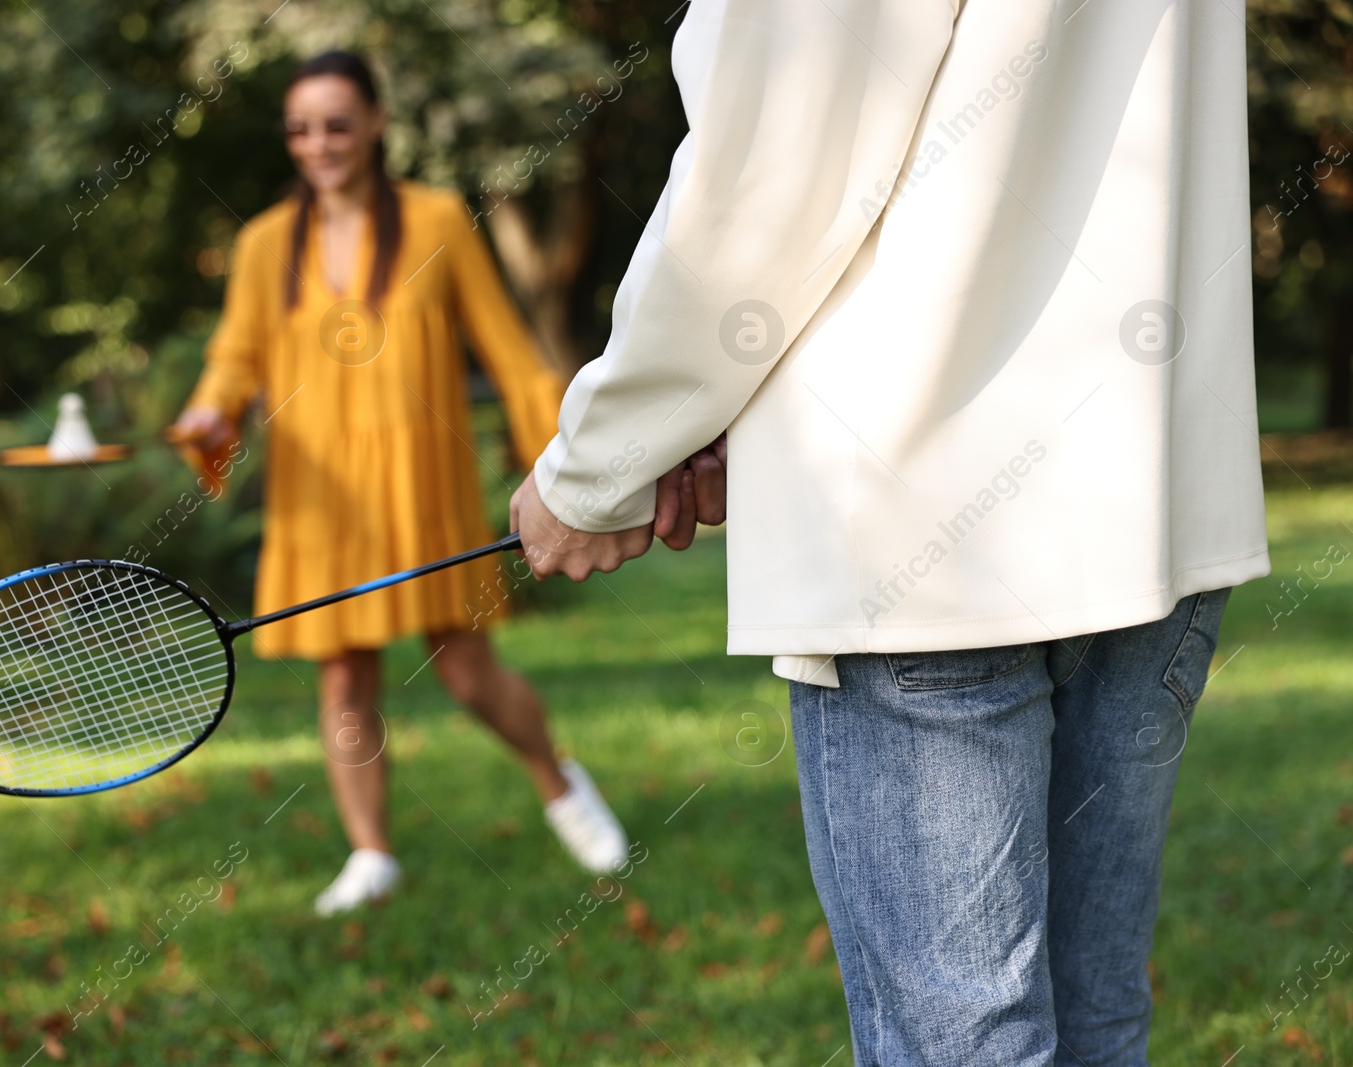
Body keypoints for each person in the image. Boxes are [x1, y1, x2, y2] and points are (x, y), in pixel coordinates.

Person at [511, 2, 1269, 1065]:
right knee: (1093, 1018)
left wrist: (590, 468)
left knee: (967, 1041)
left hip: (917, 533)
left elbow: (770, 169)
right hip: (1149, 498)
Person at [173, 52, 719, 916]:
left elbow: (505, 345)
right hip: (319, 498)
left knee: (464, 668)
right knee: (344, 677)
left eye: (338, 124)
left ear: (377, 124)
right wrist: (210, 414)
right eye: (302, 129)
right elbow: (234, 356)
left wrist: (573, 458)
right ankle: (371, 853)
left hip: (421, 486)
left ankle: (557, 780)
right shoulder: (263, 244)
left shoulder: (434, 221)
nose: (319, 145)